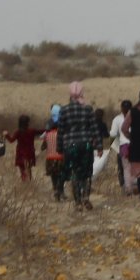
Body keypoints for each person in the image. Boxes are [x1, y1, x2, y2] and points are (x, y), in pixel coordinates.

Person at [57, 82, 102, 211]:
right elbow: (94, 129)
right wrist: (99, 147)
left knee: (74, 173)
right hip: (86, 145)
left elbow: (60, 131)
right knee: (87, 172)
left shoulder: (64, 111)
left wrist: (59, 149)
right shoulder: (87, 109)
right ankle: (86, 198)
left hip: (70, 146)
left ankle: (77, 202)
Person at [3, 114, 44, 182]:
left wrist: (6, 134)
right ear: (27, 122)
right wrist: (51, 128)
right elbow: (41, 131)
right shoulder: (32, 131)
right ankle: (29, 182)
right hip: (30, 153)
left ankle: (25, 183)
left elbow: (11, 140)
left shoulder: (18, 132)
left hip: (21, 154)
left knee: (22, 170)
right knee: (29, 169)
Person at [40, 104, 66, 200]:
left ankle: (55, 190)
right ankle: (60, 190)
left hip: (50, 159)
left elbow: (43, 147)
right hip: (60, 158)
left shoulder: (47, 135)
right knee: (61, 175)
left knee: (53, 175)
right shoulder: (62, 135)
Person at [109, 100, 133, 192]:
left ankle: (127, 188)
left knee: (125, 168)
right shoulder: (136, 117)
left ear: (121, 109)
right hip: (135, 146)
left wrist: (116, 149)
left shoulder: (117, 119)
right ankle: (135, 187)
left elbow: (113, 134)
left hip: (123, 146)